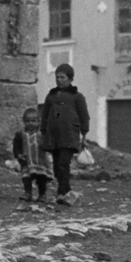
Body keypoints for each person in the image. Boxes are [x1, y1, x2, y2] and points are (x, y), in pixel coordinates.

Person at [39, 63, 90, 206]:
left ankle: (61, 192)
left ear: (70, 79)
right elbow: (45, 115)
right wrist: (43, 131)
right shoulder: (51, 96)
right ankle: (66, 190)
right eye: (57, 77)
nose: (59, 80)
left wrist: (84, 135)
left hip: (69, 135)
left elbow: (84, 116)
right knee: (56, 165)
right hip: (53, 136)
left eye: (62, 77)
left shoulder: (77, 97)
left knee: (63, 163)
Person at [11, 106, 52, 205]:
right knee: (26, 178)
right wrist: (18, 155)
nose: (31, 123)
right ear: (24, 122)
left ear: (38, 122)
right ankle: (28, 193)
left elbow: (48, 144)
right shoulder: (20, 134)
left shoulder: (42, 134)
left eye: (33, 121)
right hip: (27, 161)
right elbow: (16, 146)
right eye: (28, 121)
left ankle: (42, 194)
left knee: (41, 179)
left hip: (40, 162)